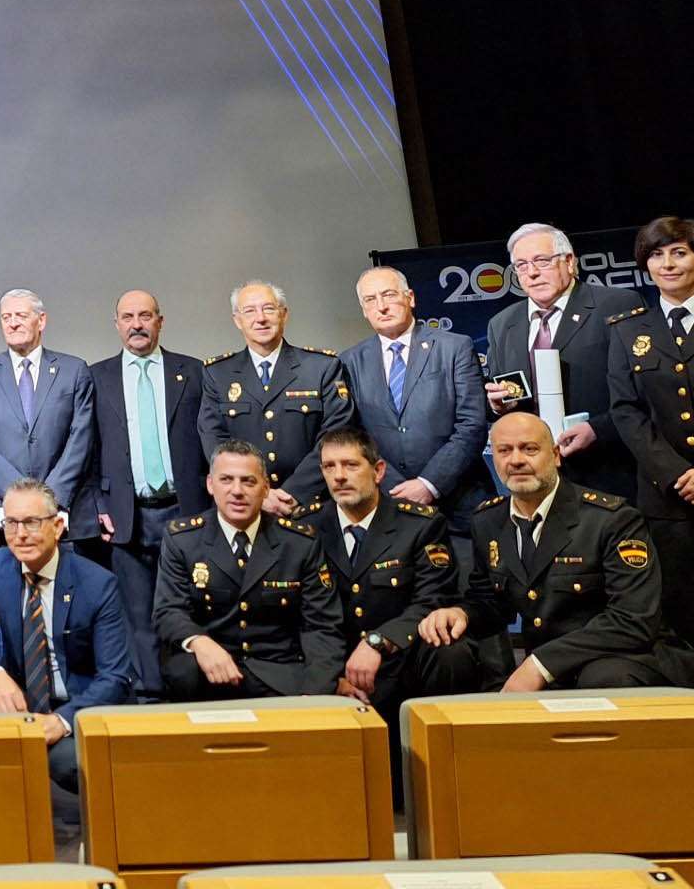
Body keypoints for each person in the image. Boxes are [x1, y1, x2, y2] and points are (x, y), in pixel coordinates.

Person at [418, 413, 694, 690]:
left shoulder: (611, 519)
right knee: (447, 651)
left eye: (529, 449)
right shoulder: (488, 521)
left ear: (555, 455)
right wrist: (461, 613)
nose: (516, 460)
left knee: (602, 679)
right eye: (504, 450)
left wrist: (540, 664)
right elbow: (490, 601)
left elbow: (632, 621)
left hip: (626, 659)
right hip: (553, 669)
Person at [0, 478, 131, 807]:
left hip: (73, 705)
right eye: (11, 523)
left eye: (31, 523)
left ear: (58, 526)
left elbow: (115, 677)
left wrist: (62, 720)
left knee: (66, 761)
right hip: (19, 701)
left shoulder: (97, 583)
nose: (20, 534)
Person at [608, 216, 694, 691]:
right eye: (656, 254)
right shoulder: (626, 330)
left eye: (678, 252)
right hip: (666, 504)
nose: (667, 263)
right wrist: (681, 477)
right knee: (677, 620)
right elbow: (625, 413)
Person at [302, 428, 477, 724]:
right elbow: (303, 617)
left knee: (451, 651)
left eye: (351, 465)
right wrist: (329, 677)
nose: (339, 476)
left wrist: (377, 641)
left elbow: (433, 600)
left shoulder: (419, 525)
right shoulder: (305, 530)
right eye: (330, 466)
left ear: (378, 470)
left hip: (398, 658)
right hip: (330, 660)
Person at [86, 291, 209, 700]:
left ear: (160, 320)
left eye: (145, 316)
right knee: (136, 615)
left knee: (189, 607)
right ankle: (148, 698)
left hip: (186, 508)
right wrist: (99, 507)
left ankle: (191, 693)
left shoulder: (192, 371)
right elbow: (87, 449)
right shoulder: (96, 376)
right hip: (129, 513)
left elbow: (210, 441)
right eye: (127, 317)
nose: (136, 324)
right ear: (116, 324)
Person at [154, 440, 341, 699]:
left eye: (248, 481)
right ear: (210, 484)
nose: (237, 491)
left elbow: (322, 625)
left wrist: (316, 691)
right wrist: (200, 642)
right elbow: (168, 612)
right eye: (226, 480)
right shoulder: (183, 540)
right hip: (210, 672)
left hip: (281, 675)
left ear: (265, 488)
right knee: (181, 669)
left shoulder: (299, 543)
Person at [341, 267, 491, 569]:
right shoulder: (348, 362)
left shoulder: (454, 347)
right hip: (390, 507)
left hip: (459, 505)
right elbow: (353, 434)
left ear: (410, 298)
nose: (381, 306)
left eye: (388, 295)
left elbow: (472, 424)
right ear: (364, 311)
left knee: (476, 603)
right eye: (370, 300)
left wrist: (428, 484)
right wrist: (395, 489)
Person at [484, 222, 643, 499]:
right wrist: (498, 406)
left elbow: (646, 389)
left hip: (608, 470)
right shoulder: (502, 324)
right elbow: (507, 397)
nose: (531, 273)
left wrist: (597, 429)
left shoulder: (617, 304)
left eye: (541, 261)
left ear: (569, 262)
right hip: (536, 480)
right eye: (521, 265)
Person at [198, 282, 353, 516]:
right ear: (237, 320)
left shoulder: (322, 367)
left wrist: (295, 492)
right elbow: (214, 439)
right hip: (246, 507)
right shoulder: (217, 374)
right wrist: (258, 493)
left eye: (269, 309)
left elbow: (336, 436)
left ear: (284, 314)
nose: (260, 318)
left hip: (312, 506)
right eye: (249, 311)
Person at [0, 291, 96, 543]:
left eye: (21, 315)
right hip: (4, 511)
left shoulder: (73, 370)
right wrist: (22, 497)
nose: (13, 323)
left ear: (42, 320)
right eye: (6, 317)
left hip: (63, 510)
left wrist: (50, 497)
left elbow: (81, 438)